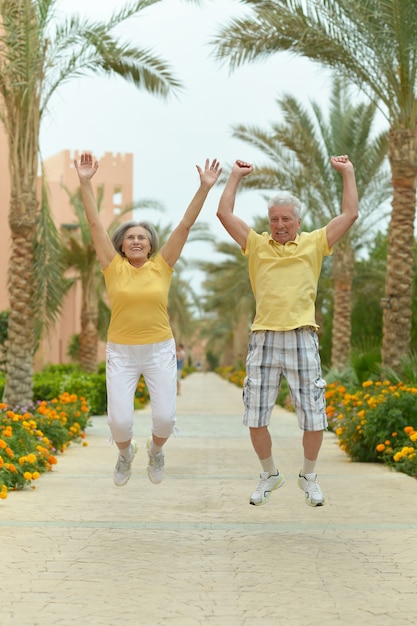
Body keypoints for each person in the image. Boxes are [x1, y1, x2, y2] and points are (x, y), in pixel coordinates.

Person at [216, 155, 358, 507]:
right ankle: (270, 474)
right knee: (255, 415)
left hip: (301, 336)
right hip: (263, 337)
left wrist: (348, 173)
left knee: (313, 416)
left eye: (285, 219)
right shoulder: (256, 245)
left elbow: (349, 214)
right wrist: (235, 176)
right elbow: (224, 214)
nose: (279, 225)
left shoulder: (314, 243)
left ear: (298, 221)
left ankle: (309, 477)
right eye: (274, 219)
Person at [74, 152, 221, 487]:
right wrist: (85, 181)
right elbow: (95, 225)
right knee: (119, 423)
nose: (137, 240)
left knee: (165, 419)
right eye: (130, 237)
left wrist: (204, 188)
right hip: (121, 353)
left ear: (151, 244)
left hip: (159, 350)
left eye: (142, 237)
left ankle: (156, 451)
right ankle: (126, 455)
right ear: (122, 246)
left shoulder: (162, 265)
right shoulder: (113, 267)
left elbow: (185, 225)